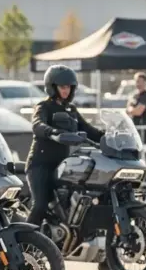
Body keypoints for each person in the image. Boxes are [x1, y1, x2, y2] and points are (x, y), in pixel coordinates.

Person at [25, 64, 105, 230]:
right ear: (52, 87)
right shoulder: (43, 107)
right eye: (62, 87)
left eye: (69, 87)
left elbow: (89, 130)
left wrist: (109, 136)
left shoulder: (71, 110)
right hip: (40, 165)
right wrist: (52, 131)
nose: (66, 90)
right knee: (40, 205)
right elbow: (37, 124)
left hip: (63, 166)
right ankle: (22, 244)